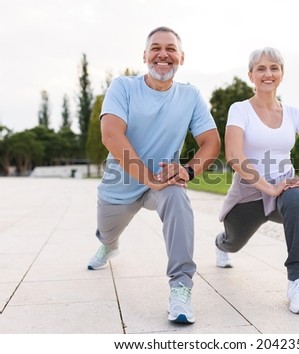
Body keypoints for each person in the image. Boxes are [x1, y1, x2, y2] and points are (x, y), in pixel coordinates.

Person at [87, 26, 220, 324]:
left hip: (162, 181)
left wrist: (186, 171)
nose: (163, 54)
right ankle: (108, 245)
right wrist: (147, 178)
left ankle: (181, 287)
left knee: (177, 197)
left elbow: (212, 142)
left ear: (181, 58)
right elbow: (110, 135)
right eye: (156, 48)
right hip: (119, 184)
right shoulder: (123, 87)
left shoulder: (190, 95)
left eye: (171, 49)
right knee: (108, 233)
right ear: (145, 56)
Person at [215, 47, 299, 314]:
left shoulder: (293, 113)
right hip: (248, 192)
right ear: (251, 75)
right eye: (261, 68)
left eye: (274, 68)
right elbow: (234, 156)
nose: (267, 73)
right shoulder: (240, 110)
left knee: (298, 202)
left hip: (284, 188)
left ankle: (297, 283)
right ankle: (220, 245)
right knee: (232, 242)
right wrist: (269, 187)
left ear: (281, 74)